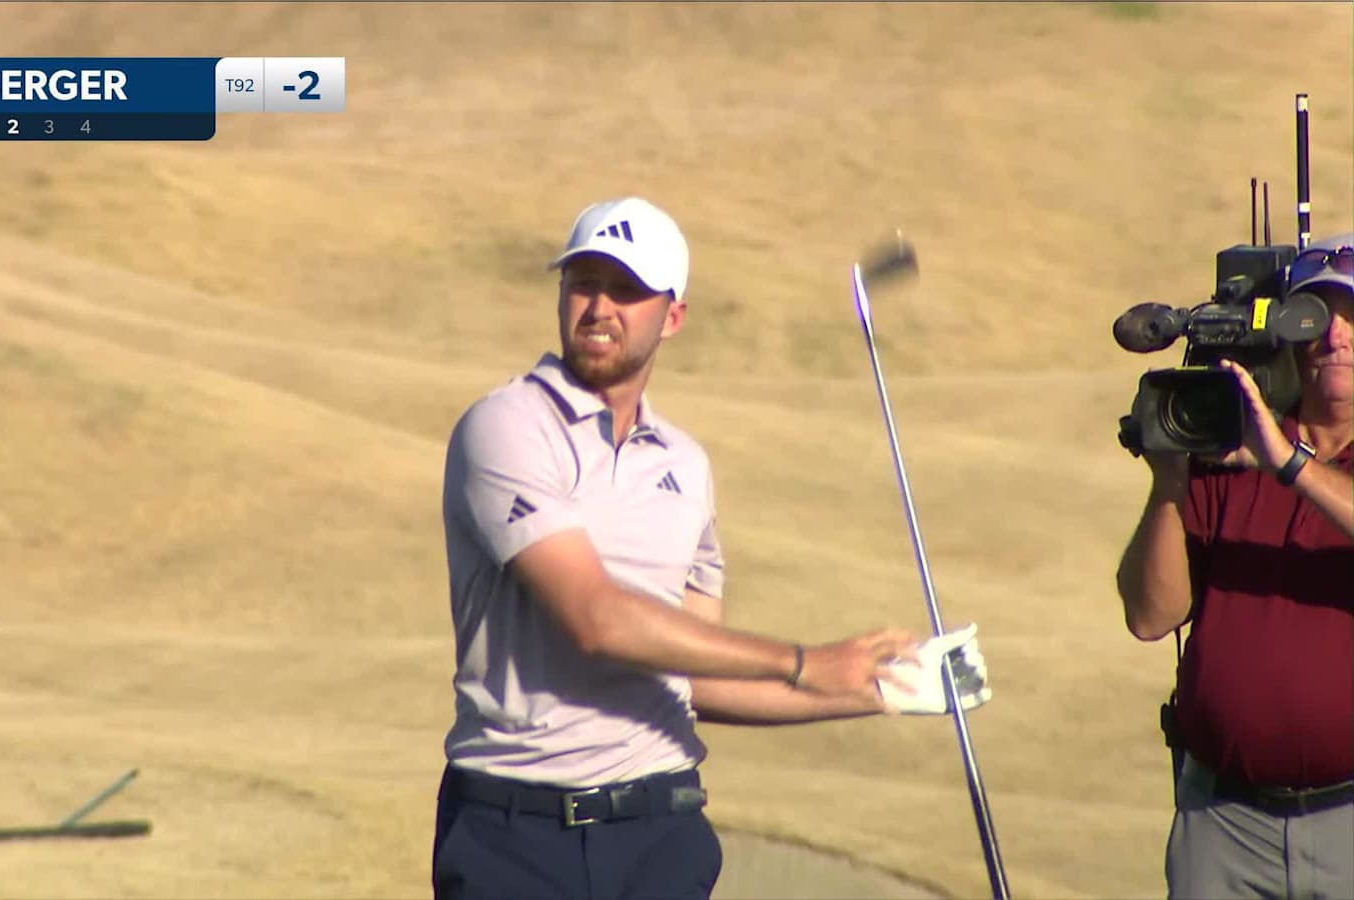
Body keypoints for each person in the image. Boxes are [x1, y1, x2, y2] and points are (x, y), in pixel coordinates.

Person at [432, 196, 992, 900]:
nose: (600, 306)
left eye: (628, 290)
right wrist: (803, 662)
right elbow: (596, 620)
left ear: (673, 316)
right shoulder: (508, 427)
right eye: (584, 282)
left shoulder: (685, 466)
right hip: (518, 835)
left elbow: (693, 674)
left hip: (659, 834)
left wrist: (877, 688)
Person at [1115, 232, 1354, 900]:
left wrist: (1289, 464)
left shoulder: (1271, 452)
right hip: (1223, 822)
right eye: (1316, 317)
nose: (1335, 337)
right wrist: (1168, 483)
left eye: (1353, 319)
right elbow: (1150, 615)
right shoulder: (1233, 449)